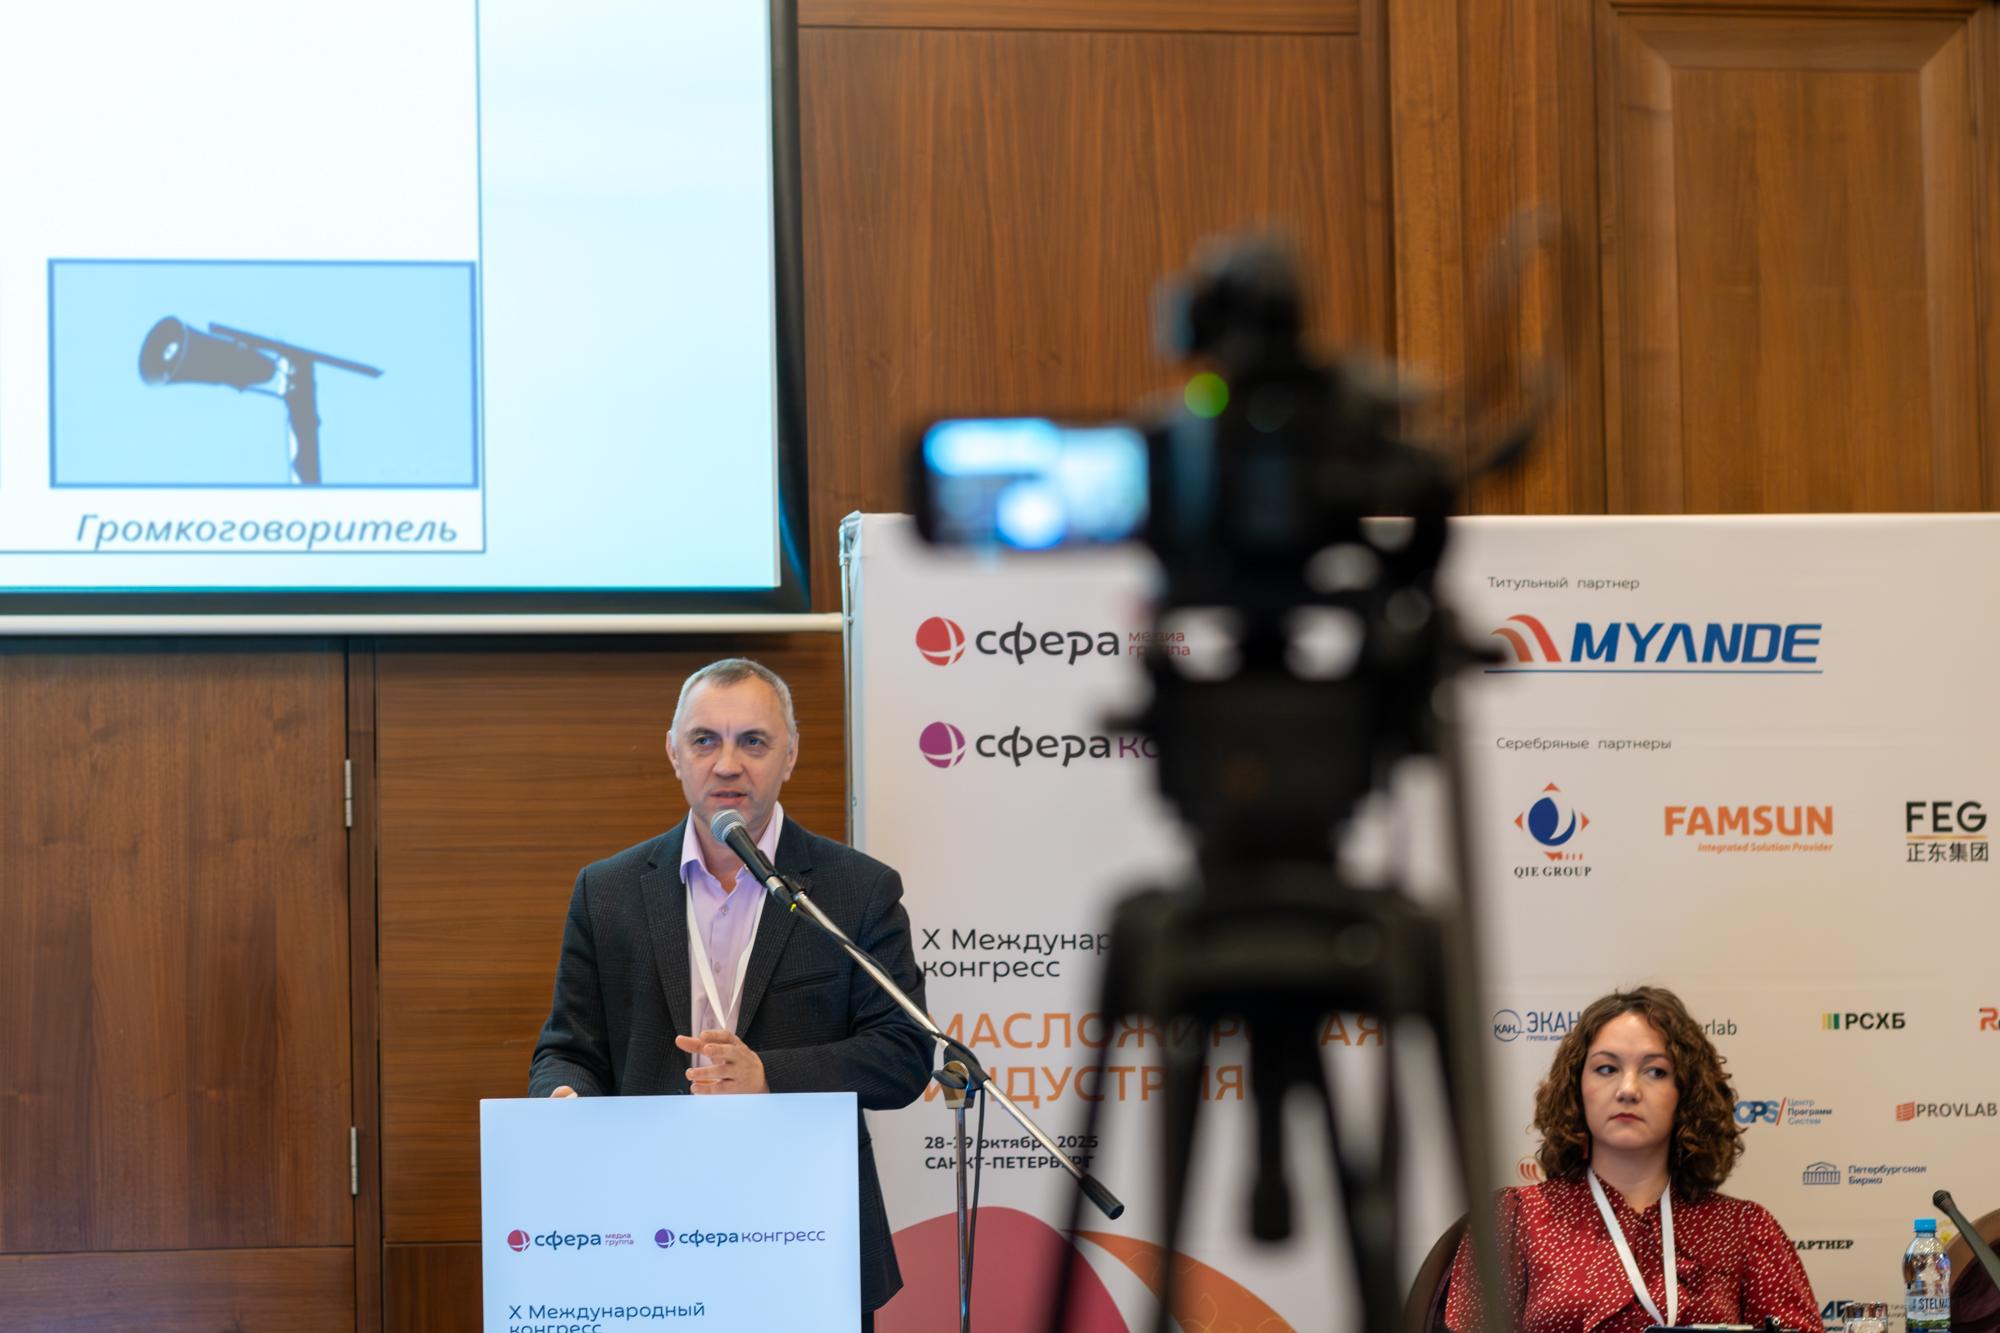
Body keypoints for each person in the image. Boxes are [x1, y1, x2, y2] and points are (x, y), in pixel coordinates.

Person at [529, 658, 931, 1327]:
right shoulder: (608, 890)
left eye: (753, 741)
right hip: (647, 1227)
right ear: (674, 752)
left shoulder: (855, 890)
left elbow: (903, 1055)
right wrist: (565, 1098)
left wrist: (768, 1075)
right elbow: (568, 1049)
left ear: (790, 754)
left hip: (806, 1229)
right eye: (704, 740)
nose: (726, 764)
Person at [1444, 986, 1819, 1333]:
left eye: (1655, 1071)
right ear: (1577, 1086)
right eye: (1607, 1069)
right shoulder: (1515, 1220)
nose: (1628, 1090)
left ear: (1686, 1093)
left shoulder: (1744, 1229)